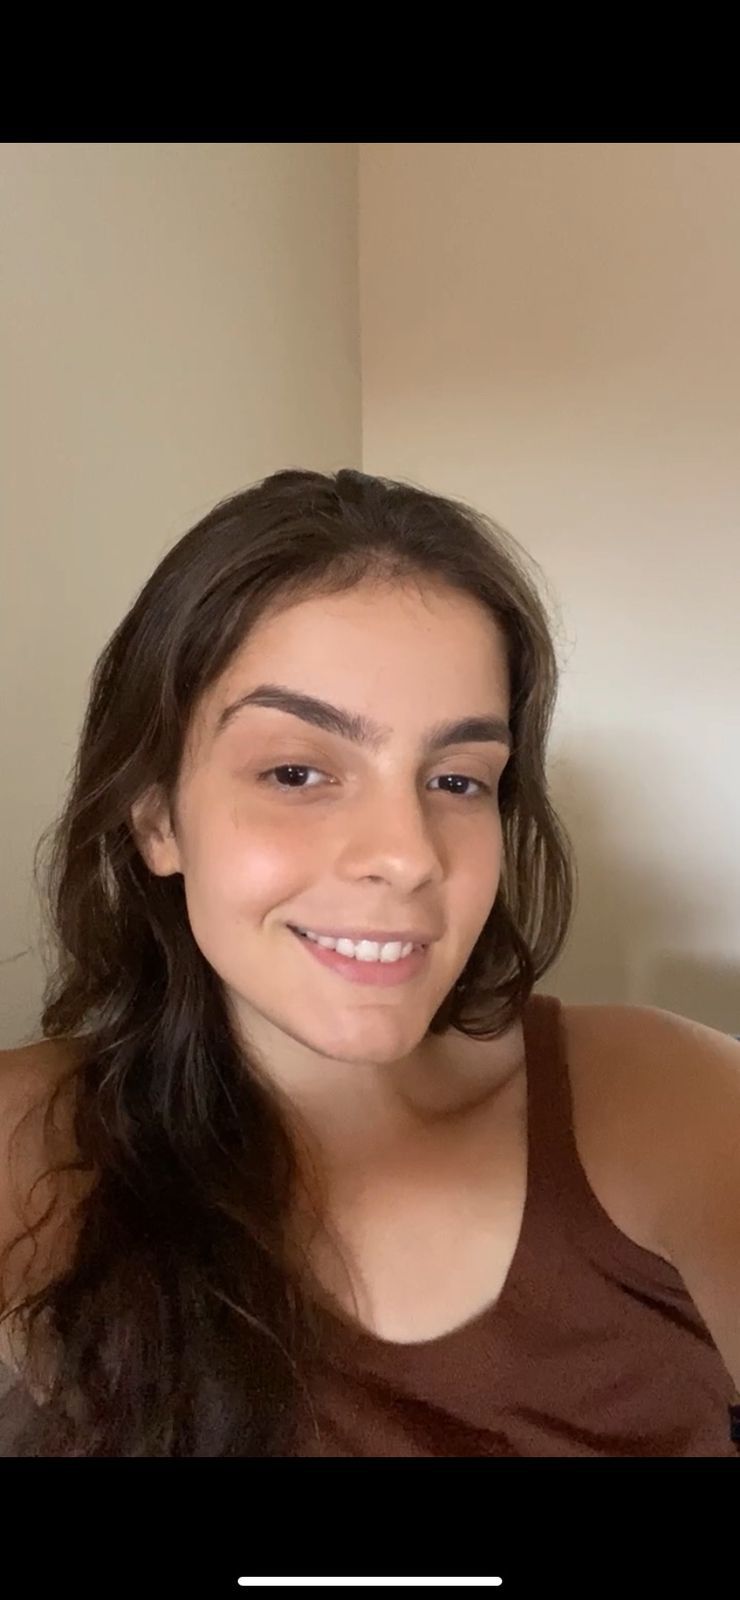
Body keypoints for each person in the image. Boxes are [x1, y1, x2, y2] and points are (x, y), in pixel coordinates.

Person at [0, 467, 738, 1457]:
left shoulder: (663, 1101)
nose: (408, 854)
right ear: (157, 817)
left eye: (457, 779)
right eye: (295, 771)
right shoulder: (32, 1139)